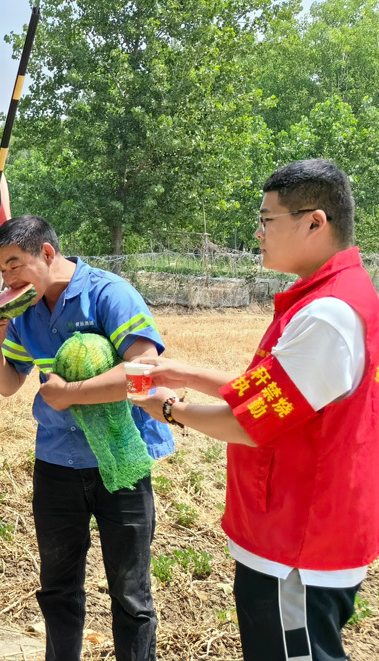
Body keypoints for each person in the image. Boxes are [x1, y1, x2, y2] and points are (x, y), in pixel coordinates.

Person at [133, 159, 379, 661]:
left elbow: (250, 424)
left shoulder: (327, 315)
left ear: (314, 221)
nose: (258, 232)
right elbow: (275, 393)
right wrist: (189, 373)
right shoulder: (328, 298)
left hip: (298, 546)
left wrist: (171, 412)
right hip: (293, 531)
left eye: (267, 219)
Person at [0, 215, 175, 661]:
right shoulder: (25, 310)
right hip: (56, 465)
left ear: (47, 254)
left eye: (15, 266)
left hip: (119, 464)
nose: (6, 280)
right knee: (58, 590)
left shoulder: (109, 293)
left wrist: (71, 394)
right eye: (1, 271)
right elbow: (9, 384)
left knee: (131, 595)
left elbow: (145, 372)